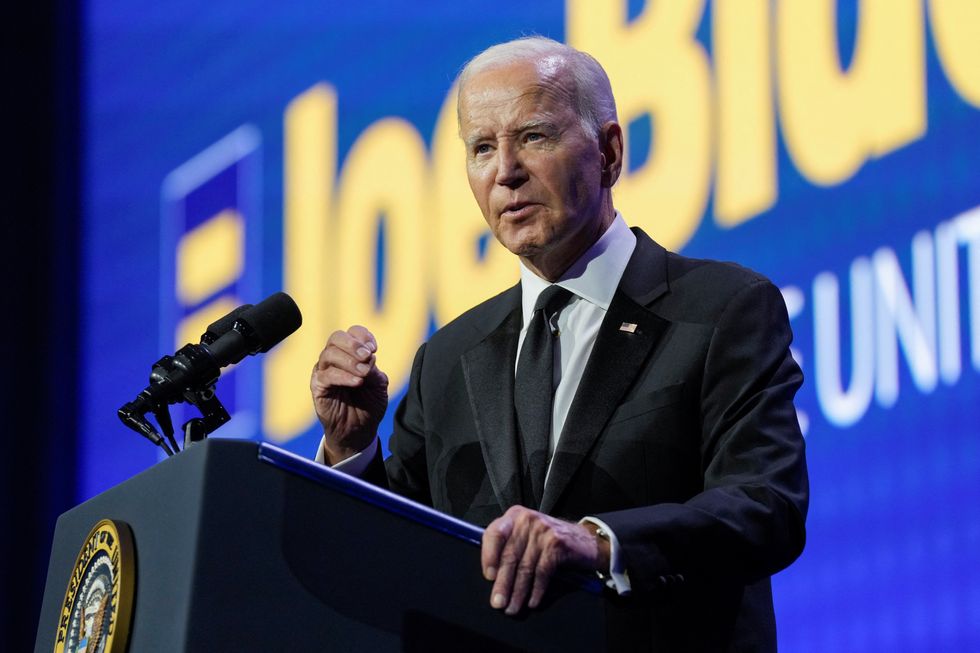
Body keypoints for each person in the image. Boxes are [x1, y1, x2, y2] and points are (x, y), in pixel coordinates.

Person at [311, 36, 807, 651]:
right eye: (482, 147)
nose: (505, 171)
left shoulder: (720, 308)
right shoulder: (446, 361)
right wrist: (350, 449)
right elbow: (389, 564)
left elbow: (765, 507)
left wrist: (597, 543)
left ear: (609, 152)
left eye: (534, 136)